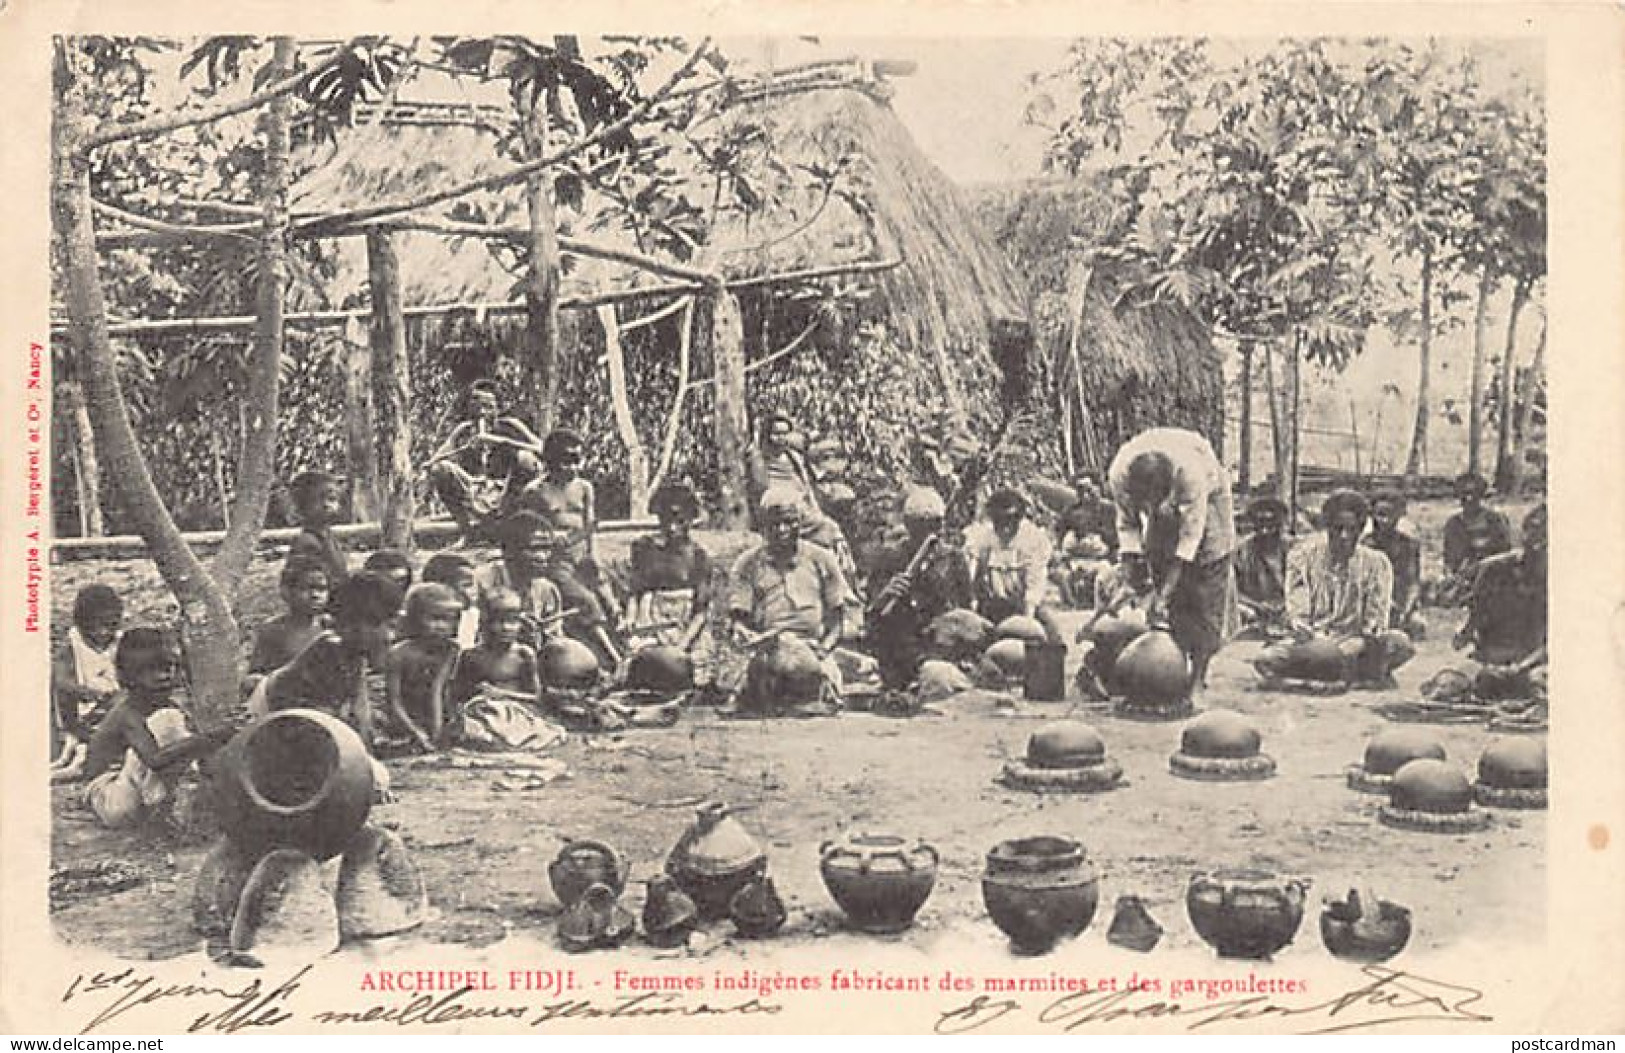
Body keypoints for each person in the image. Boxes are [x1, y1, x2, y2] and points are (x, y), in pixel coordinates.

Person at [1106, 427, 1239, 697]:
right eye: (1146, 503)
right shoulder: (1119, 475)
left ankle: (1198, 676)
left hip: (1211, 497)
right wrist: (1130, 577)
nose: (1151, 507)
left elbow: (1190, 540)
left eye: (1157, 500)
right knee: (1160, 568)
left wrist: (1165, 592)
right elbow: (1127, 526)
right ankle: (1170, 666)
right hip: (1164, 494)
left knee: (1206, 585)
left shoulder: (1191, 475)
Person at [1254, 490, 1416, 687]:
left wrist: (1359, 641)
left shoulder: (1377, 563)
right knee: (1269, 658)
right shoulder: (1302, 558)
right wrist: (1316, 640)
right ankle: (1349, 674)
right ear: (1327, 527)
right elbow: (1299, 614)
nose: (1344, 536)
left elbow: (1375, 620)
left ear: (1361, 529)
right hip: (1314, 639)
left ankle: (1325, 675)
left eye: (1352, 530)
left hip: (1357, 642)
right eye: (1337, 529)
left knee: (1400, 643)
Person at [81, 629, 233, 828]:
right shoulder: (127, 712)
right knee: (170, 722)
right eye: (151, 670)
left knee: (181, 731)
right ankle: (164, 808)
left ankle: (176, 804)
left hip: (129, 793)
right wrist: (212, 737)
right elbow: (155, 759)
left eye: (168, 668)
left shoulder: (168, 705)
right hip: (110, 798)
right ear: (131, 676)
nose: (164, 677)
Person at [726, 487, 858, 707]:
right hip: (767, 652)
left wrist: (823, 650)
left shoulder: (822, 559)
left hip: (812, 648)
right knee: (774, 666)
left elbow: (837, 622)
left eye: (789, 522)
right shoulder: (747, 564)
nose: (782, 530)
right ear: (763, 526)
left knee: (805, 667)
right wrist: (745, 635)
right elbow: (739, 621)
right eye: (774, 524)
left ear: (800, 522)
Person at [514, 429, 623, 666]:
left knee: (611, 590)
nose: (573, 467)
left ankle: (626, 640)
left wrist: (593, 556)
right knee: (586, 600)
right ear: (551, 461)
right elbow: (528, 530)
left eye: (577, 460)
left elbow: (590, 525)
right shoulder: (535, 491)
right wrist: (553, 538)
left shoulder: (584, 487)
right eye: (566, 461)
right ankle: (612, 657)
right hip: (556, 561)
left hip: (582, 554)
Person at [866, 486, 975, 689]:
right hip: (902, 648)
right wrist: (886, 594)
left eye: (937, 524)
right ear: (909, 526)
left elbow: (966, 607)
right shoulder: (889, 558)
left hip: (942, 646)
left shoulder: (954, 558)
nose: (933, 533)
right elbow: (872, 615)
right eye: (923, 527)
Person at [1450, 503, 1548, 703]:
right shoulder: (1494, 569)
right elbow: (1476, 618)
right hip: (1491, 658)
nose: (1536, 541)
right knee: (1450, 684)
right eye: (1531, 531)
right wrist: (1465, 635)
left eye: (1543, 535)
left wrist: (1519, 667)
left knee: (1539, 688)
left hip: (1535, 662)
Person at [428, 380, 545, 543]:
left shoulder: (510, 425)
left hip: (506, 488)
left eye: (488, 407)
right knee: (440, 469)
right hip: (476, 486)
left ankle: (515, 530)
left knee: (526, 459)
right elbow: (440, 455)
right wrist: (434, 462)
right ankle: (467, 532)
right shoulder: (465, 429)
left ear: (498, 408)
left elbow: (542, 449)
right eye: (476, 407)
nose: (482, 413)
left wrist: (500, 441)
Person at [625, 481, 714, 653]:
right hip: (649, 622)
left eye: (680, 521)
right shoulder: (645, 548)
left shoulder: (699, 557)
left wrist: (681, 646)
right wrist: (630, 619)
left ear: (690, 519)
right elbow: (635, 592)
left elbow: (700, 612)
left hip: (684, 627)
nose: (672, 528)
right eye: (666, 520)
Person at [964, 487, 1061, 642]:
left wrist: (1027, 622)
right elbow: (972, 577)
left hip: (1024, 605)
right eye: (999, 520)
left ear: (1019, 517)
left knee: (1052, 640)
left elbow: (1035, 582)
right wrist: (972, 609)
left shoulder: (1033, 539)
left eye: (1011, 519)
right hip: (992, 606)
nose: (1005, 526)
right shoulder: (983, 537)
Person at [51, 584, 124, 780]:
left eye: (111, 625)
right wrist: (86, 692)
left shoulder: (119, 643)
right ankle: (78, 752)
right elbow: (61, 680)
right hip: (82, 710)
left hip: (113, 706)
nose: (104, 632)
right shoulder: (72, 645)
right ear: (82, 623)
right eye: (96, 626)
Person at [385, 584, 464, 752]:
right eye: (435, 618)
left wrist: (438, 732)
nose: (441, 626)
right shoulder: (399, 654)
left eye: (448, 620)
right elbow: (394, 702)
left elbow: (437, 691)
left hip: (440, 717)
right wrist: (416, 732)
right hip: (405, 718)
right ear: (415, 619)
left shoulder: (451, 650)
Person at [478, 511, 568, 652]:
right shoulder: (482, 582)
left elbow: (554, 639)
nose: (542, 557)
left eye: (547, 548)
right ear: (509, 550)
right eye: (534, 549)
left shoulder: (546, 590)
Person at [448, 588, 542, 711]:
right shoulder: (471, 656)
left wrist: (502, 694)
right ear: (485, 623)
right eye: (498, 621)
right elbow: (456, 696)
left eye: (512, 621)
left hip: (519, 713)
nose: (506, 627)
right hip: (482, 713)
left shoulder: (524, 654)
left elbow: (537, 697)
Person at [248, 558, 331, 678]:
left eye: (322, 589)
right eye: (305, 588)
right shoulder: (274, 630)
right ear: (288, 592)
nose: (315, 595)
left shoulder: (330, 627)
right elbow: (255, 674)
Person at [1439, 472, 1513, 604]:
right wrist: (1451, 575)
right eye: (1464, 494)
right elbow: (1449, 558)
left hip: (1492, 571)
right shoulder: (1454, 523)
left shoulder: (1495, 520)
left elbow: (1505, 552)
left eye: (1473, 494)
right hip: (1464, 574)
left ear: (1480, 495)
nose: (1468, 499)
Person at [1364, 489, 1425, 640]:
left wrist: (1406, 608)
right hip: (1372, 603)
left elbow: (1413, 582)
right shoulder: (1365, 546)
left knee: (1417, 625)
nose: (1384, 521)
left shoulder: (1409, 545)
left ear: (1398, 516)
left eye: (1389, 515)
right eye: (1380, 515)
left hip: (1400, 602)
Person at [1233, 495, 1292, 638]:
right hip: (1254, 613)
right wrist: (1257, 605)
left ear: (1280, 525)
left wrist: (1288, 604)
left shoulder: (1295, 549)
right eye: (1260, 525)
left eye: (1271, 525)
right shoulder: (1242, 552)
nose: (1265, 531)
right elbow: (1232, 590)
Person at [286, 470, 349, 590]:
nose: (326, 505)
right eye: (315, 500)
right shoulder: (308, 542)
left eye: (332, 499)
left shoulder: (328, 536)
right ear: (302, 507)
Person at [422, 551, 481, 648]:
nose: (475, 591)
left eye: (476, 585)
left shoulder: (473, 617)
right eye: (467, 585)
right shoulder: (425, 624)